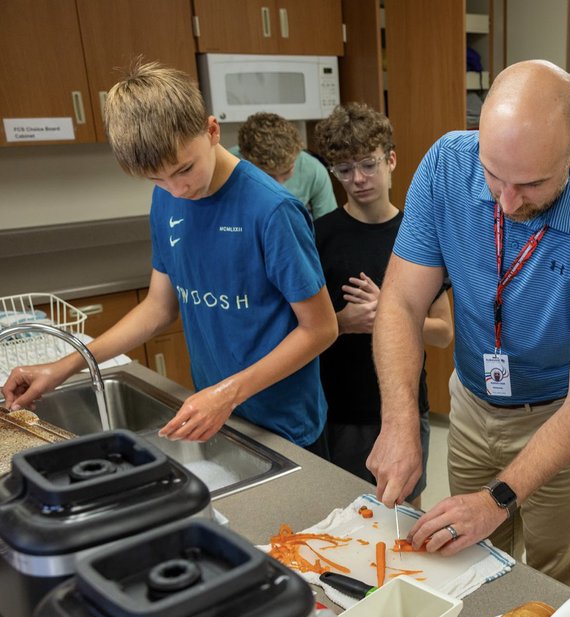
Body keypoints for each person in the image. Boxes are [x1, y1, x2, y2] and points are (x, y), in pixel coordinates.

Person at [368, 60, 570, 589]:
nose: (505, 200)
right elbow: (402, 303)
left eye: (529, 184)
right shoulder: (444, 167)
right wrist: (401, 420)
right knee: (465, 565)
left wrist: (498, 499)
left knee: (554, 580)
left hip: (560, 420)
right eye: (492, 173)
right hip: (472, 407)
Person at [2, 62, 337, 453]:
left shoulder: (272, 210)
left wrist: (228, 393)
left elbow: (320, 329)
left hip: (283, 421)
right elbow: (159, 307)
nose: (177, 189)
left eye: (184, 169)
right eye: (157, 179)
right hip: (218, 413)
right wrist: (64, 367)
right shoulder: (167, 198)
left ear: (212, 131)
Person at [310, 103, 453, 506]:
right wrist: (343, 321)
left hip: (407, 406)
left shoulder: (420, 235)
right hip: (339, 411)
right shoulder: (319, 237)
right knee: (345, 520)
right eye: (344, 169)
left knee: (405, 519)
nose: (357, 179)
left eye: (368, 165)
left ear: (390, 160)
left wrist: (389, 319)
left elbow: (443, 334)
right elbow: (298, 331)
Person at [234, 111, 337, 220]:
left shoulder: (313, 170)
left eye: (286, 172)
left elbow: (329, 227)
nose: (278, 187)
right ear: (246, 160)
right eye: (268, 176)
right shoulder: (227, 167)